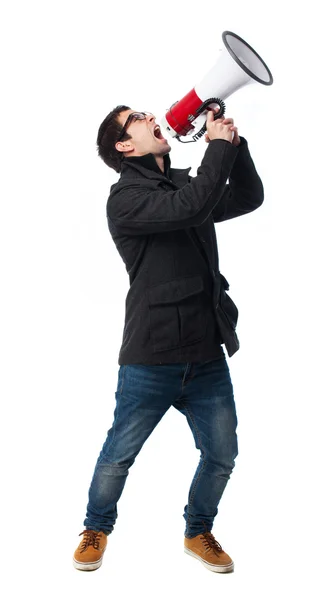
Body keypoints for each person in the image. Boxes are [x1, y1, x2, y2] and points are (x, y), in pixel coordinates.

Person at [73, 106, 264, 574]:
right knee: (119, 455)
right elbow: (193, 207)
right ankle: (96, 527)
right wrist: (215, 148)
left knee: (222, 455)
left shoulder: (182, 184)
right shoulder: (126, 199)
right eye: (137, 117)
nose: (152, 115)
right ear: (125, 145)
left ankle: (198, 530)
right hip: (150, 358)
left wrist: (233, 149)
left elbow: (248, 197)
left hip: (205, 353)